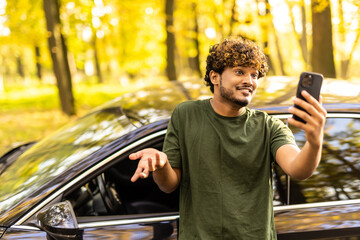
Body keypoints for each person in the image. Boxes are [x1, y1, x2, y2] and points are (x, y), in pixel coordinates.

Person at [129, 38, 326, 239]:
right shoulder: (186, 115)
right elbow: (168, 185)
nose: (250, 81)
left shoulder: (268, 126)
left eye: (254, 74)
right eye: (240, 72)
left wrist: (314, 141)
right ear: (215, 77)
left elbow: (298, 169)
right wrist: (161, 164)